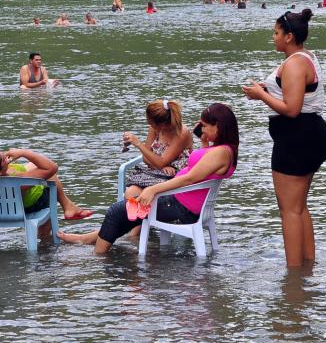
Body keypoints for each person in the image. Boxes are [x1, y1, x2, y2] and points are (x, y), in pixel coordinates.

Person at [58, 103, 238, 253]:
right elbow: (201, 169)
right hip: (181, 201)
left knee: (116, 212)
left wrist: (153, 189)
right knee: (126, 212)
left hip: (181, 206)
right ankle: (92, 239)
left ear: (218, 126)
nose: (201, 128)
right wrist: (205, 141)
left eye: (205, 126)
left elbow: (189, 179)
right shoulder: (221, 149)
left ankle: (97, 256)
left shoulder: (221, 153)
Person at [242, 9, 326, 267]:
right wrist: (267, 90)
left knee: (289, 210)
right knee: (299, 206)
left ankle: (293, 278)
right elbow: (294, 93)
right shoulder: (305, 57)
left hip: (296, 138)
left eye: (276, 33)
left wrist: (261, 95)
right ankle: (307, 268)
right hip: (308, 135)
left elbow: (292, 109)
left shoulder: (294, 63)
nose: (273, 37)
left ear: (289, 36)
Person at [0, 147, 93, 223]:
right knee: (48, 175)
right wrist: (23, 152)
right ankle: (66, 209)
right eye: (4, 159)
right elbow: (52, 167)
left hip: (1, 209)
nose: (7, 158)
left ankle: (68, 206)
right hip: (31, 205)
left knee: (34, 166)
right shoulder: (16, 181)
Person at [122, 99, 193, 197]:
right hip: (156, 173)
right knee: (131, 192)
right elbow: (146, 158)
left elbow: (161, 161)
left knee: (146, 195)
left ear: (162, 125)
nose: (150, 126)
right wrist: (162, 167)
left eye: (151, 123)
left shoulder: (181, 133)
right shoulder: (154, 129)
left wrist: (138, 144)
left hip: (175, 178)